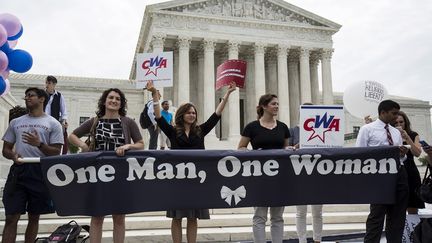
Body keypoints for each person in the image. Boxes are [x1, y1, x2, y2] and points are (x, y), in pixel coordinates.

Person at [146, 80, 236, 243]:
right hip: (177, 178)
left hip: (196, 179)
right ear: (182, 115)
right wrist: (154, 95)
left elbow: (216, 116)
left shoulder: (200, 131)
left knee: (193, 217)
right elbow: (159, 117)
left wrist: (227, 94)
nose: (192, 115)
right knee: (176, 217)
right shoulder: (173, 131)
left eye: (194, 113)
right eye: (189, 112)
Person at [68, 88, 144, 243]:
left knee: (119, 217)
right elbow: (72, 135)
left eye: (118, 99)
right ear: (104, 101)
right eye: (111, 97)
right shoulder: (95, 121)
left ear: (121, 103)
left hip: (121, 174)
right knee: (97, 217)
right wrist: (83, 145)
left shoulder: (128, 122)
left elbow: (141, 144)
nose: (114, 101)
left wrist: (128, 146)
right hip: (98, 173)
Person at [2, 87, 64, 243]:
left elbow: (57, 152)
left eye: (31, 95)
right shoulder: (16, 122)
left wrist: (40, 144)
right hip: (19, 170)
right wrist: (13, 155)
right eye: (26, 96)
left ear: (42, 99)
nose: (27, 98)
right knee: (11, 217)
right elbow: (6, 149)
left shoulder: (53, 123)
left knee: (34, 216)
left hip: (40, 171)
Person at [237, 94, 290, 243]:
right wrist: (253, 153)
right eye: (274, 104)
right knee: (259, 216)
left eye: (278, 104)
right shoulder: (251, 127)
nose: (277, 106)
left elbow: (285, 148)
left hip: (279, 177)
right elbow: (241, 148)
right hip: (259, 176)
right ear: (264, 106)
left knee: (277, 217)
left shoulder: (283, 127)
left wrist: (290, 149)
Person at [356, 99, 409, 243]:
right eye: (393, 113)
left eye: (397, 113)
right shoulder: (366, 129)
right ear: (383, 112)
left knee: (398, 216)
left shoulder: (396, 132)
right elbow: (359, 154)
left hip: (399, 175)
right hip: (378, 176)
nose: (396, 117)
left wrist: (402, 155)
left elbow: (400, 158)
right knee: (377, 215)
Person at [393, 111, 424, 214]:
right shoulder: (389, 135)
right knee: (396, 207)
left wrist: (407, 138)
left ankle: (413, 229)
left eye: (401, 122)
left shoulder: (413, 134)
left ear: (405, 122)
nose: (399, 125)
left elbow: (417, 153)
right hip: (395, 170)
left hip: (410, 171)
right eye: (396, 123)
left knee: (412, 204)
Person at [45, 75, 69, 154]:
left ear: (54, 84)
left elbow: (64, 112)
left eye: (49, 83)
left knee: (55, 143)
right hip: (43, 122)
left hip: (54, 123)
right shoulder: (42, 94)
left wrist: (63, 122)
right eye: (46, 83)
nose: (47, 85)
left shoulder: (59, 96)